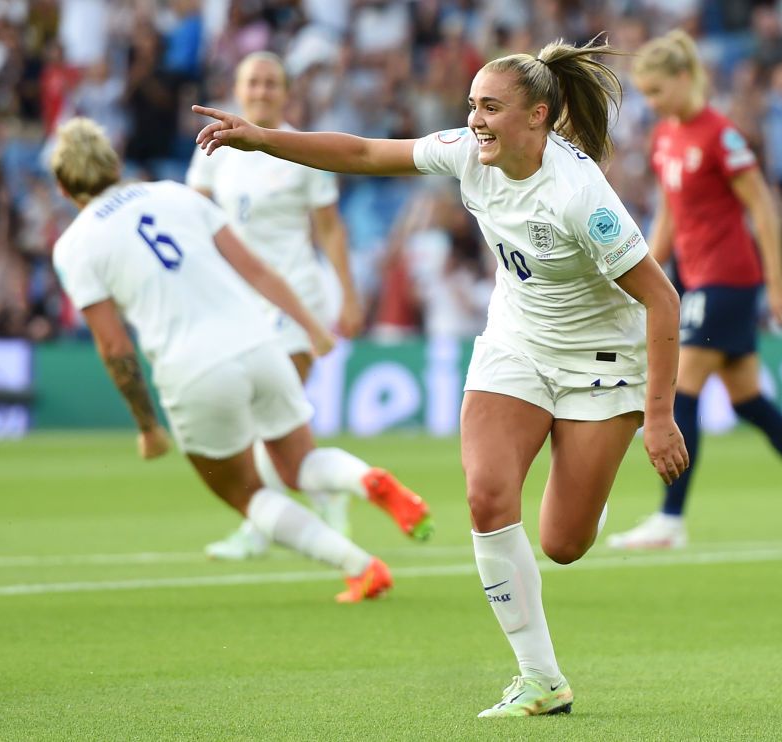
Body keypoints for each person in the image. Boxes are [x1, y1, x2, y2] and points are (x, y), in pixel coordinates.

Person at [194, 36, 689, 718]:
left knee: (562, 544)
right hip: (514, 344)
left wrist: (659, 416)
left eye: (491, 107)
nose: (476, 119)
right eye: (472, 105)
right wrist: (264, 140)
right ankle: (540, 678)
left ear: (539, 116)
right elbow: (366, 153)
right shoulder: (467, 152)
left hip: (599, 364)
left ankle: (588, 485)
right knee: (487, 500)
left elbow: (662, 300)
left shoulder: (580, 197)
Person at [50, 117, 433, 604]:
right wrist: (312, 327)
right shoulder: (174, 194)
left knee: (246, 492)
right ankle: (366, 478)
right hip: (258, 342)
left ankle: (360, 567)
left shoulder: (75, 245)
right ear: (115, 164)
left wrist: (147, 425)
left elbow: (114, 347)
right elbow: (255, 268)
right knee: (302, 462)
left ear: (63, 188)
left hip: (193, 370)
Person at [607, 30, 782, 551]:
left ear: (684, 78)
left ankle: (671, 520)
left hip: (728, 279)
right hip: (698, 278)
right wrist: (642, 273)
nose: (652, 102)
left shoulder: (719, 134)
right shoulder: (665, 138)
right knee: (749, 401)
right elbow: (669, 219)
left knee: (682, 392)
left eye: (657, 91)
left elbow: (762, 208)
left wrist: (777, 281)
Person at [186, 51, 371, 560]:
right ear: (238, 90)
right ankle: (319, 495)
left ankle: (260, 525)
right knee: (256, 418)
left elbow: (330, 228)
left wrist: (349, 295)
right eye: (254, 82)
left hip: (295, 300)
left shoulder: (302, 151)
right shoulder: (213, 147)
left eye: (272, 83)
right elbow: (195, 225)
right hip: (235, 305)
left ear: (286, 93)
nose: (263, 90)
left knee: (268, 416)